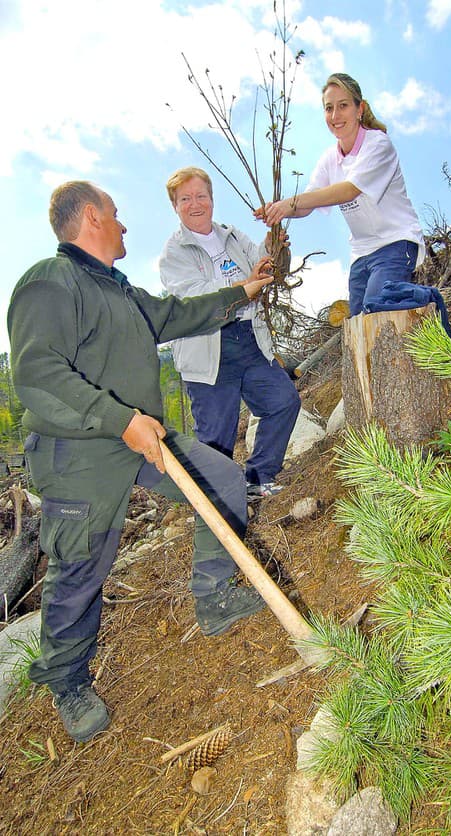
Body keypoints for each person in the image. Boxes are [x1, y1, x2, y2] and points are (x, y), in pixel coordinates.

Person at [7, 181, 275, 744]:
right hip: (80, 451)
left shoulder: (121, 291)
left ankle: (215, 596)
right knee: (80, 570)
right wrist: (117, 419)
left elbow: (179, 314)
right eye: (117, 213)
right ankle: (67, 681)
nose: (125, 225)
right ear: (90, 218)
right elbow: (37, 374)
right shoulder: (49, 282)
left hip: (141, 434)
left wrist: (243, 293)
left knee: (222, 477)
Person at [159, 167, 301, 499]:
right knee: (215, 439)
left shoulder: (234, 236)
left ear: (212, 199)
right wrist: (243, 283)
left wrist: (276, 249)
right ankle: (218, 507)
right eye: (185, 199)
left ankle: (258, 478)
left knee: (283, 401)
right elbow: (195, 298)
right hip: (207, 347)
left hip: (249, 338)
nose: (196, 204)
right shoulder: (173, 253)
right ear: (175, 206)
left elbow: (268, 269)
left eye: (201, 196)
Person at [260, 73, 425, 317]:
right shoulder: (329, 158)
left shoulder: (378, 145)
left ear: (361, 109)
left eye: (343, 106)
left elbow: (348, 190)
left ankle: (424, 303)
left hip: (396, 243)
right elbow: (308, 203)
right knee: (357, 323)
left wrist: (289, 204)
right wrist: (277, 209)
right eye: (329, 108)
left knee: (377, 312)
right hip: (361, 253)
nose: (335, 116)